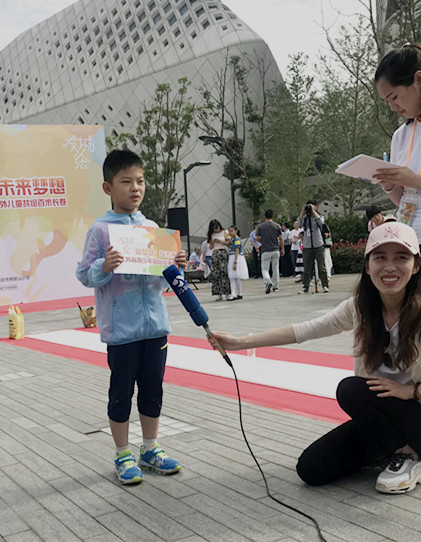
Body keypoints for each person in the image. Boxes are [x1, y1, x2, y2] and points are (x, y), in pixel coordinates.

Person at [210, 221, 421, 494]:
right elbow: (305, 330)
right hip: (384, 418)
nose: (390, 267)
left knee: (351, 390)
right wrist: (240, 342)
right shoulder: (360, 308)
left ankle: (406, 455)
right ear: (368, 266)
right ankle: (392, 447)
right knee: (312, 468)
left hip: (416, 412)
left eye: (401, 257)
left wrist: (411, 391)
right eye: (380, 257)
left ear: (416, 265)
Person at [76, 149, 186, 484]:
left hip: (155, 328)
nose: (135, 188)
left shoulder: (151, 228)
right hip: (122, 331)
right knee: (121, 393)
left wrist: (174, 266)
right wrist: (104, 266)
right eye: (126, 182)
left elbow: (159, 283)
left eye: (140, 181)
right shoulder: (100, 231)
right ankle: (123, 454)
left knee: (153, 389)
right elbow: (84, 274)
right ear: (108, 188)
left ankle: (150, 449)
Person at [374, 43, 421, 246]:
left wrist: (415, 180)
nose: (393, 107)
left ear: (419, 79)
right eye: (386, 101)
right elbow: (403, 198)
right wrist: (389, 185)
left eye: (394, 97)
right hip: (409, 241)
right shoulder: (401, 136)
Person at [297, 200, 329, 294]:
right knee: (306, 268)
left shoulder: (319, 216)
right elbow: (299, 225)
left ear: (316, 207)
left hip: (318, 244)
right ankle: (305, 286)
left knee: (321, 267)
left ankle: (325, 285)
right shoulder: (305, 218)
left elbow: (321, 224)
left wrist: (314, 212)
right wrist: (302, 212)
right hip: (307, 245)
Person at [256, 210, 284, 294]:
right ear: (273, 216)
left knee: (265, 269)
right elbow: (281, 238)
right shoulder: (277, 226)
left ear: (264, 217)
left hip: (265, 250)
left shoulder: (260, 227)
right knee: (275, 268)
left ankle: (267, 282)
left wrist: (262, 241)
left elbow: (256, 237)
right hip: (275, 249)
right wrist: (282, 248)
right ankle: (275, 286)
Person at [207, 219, 231, 301]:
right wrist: (212, 242)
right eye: (213, 229)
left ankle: (227, 293)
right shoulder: (212, 234)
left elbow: (229, 242)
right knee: (215, 273)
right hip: (215, 253)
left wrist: (221, 242)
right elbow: (210, 247)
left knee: (224, 272)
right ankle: (219, 293)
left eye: (216, 228)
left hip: (223, 251)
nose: (215, 230)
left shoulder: (225, 232)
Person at [227, 225, 249, 300]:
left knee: (233, 277)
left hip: (235, 257)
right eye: (229, 231)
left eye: (231, 231)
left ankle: (233, 294)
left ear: (236, 231)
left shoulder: (236, 239)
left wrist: (235, 262)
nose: (230, 233)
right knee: (236, 277)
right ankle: (239, 293)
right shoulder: (234, 239)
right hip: (235, 257)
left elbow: (237, 249)